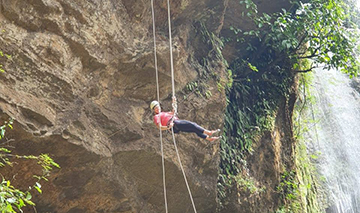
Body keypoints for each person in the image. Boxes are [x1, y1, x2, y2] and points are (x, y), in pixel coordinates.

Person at [150, 100, 221, 142]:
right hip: (174, 124)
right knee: (192, 124)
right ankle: (209, 132)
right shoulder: (156, 117)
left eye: (158, 107)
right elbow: (160, 127)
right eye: (155, 108)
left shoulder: (164, 113)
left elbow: (174, 111)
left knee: (194, 129)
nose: (157, 109)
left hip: (176, 124)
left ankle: (208, 138)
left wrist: (174, 103)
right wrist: (168, 127)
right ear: (154, 110)